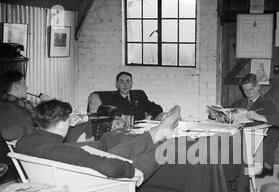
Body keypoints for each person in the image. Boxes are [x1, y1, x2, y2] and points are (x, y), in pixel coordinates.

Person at [16, 99, 181, 181]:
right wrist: (131, 171)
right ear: (64, 122)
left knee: (109, 140)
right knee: (134, 153)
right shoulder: (64, 152)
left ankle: (155, 133)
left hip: (59, 177)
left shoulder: (24, 142)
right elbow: (112, 168)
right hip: (88, 184)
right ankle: (158, 137)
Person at [210, 73, 279, 177]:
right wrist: (216, 115)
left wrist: (259, 117)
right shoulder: (239, 103)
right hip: (238, 140)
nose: (248, 93)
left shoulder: (268, 104)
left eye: (251, 89)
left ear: (258, 86)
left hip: (254, 142)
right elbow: (227, 115)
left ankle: (242, 171)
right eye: (245, 90)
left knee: (230, 166)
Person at [0, 70, 92, 143]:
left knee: (83, 121)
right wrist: (37, 130)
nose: (26, 87)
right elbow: (7, 133)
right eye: (24, 83)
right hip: (41, 142)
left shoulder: (22, 104)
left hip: (44, 138)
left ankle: (83, 151)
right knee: (83, 125)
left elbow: (40, 120)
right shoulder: (6, 107)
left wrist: (48, 104)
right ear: (16, 86)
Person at [97, 71, 163, 120]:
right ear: (117, 84)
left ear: (131, 84)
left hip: (141, 131)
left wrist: (150, 116)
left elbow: (157, 108)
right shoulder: (110, 98)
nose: (125, 85)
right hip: (121, 133)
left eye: (128, 82)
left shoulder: (139, 96)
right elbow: (102, 114)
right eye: (121, 82)